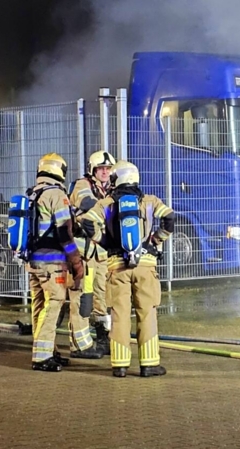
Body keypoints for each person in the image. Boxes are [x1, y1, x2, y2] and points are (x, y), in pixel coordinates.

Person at [90, 161, 175, 377]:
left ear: (115, 179)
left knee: (119, 314)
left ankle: (119, 366)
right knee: (146, 313)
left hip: (117, 266)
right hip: (145, 266)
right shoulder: (149, 201)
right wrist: (155, 240)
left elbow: (86, 222)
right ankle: (149, 364)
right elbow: (169, 218)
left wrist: (106, 243)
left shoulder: (107, 203)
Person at [28, 153, 100, 372]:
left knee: (39, 306)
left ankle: (48, 351)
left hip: (33, 262)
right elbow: (64, 233)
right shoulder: (57, 194)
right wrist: (76, 261)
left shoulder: (33, 193)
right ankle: (41, 358)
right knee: (53, 306)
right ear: (61, 170)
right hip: (52, 263)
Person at [69, 150, 115, 353]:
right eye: (100, 169)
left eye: (107, 168)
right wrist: (111, 207)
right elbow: (86, 203)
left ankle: (103, 338)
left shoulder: (111, 189)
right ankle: (79, 344)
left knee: (102, 298)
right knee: (83, 299)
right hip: (85, 254)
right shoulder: (82, 185)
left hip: (102, 253)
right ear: (92, 170)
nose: (105, 172)